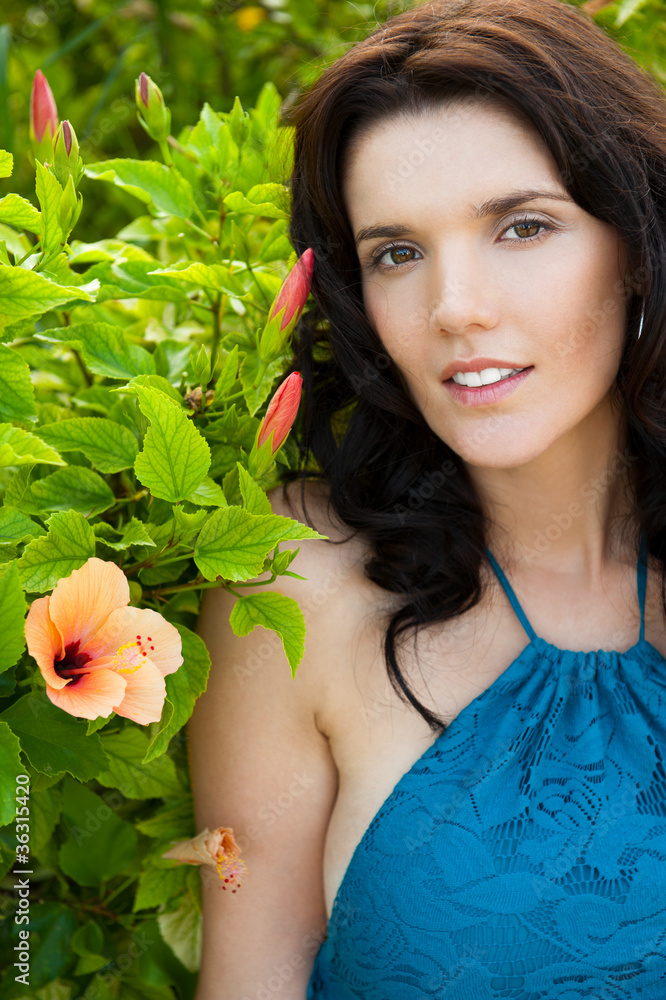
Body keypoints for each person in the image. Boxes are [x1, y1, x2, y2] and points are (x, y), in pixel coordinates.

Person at [188, 0, 666, 995]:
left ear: (635, 248)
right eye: (396, 253)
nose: (455, 308)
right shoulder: (293, 585)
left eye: (523, 227)